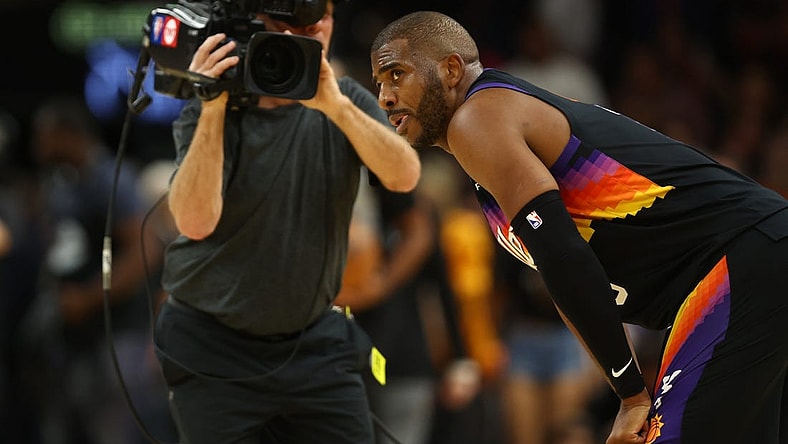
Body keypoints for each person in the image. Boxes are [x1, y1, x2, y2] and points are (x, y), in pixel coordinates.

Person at [370, 11, 788, 444]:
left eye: (396, 74)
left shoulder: (478, 118)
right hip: (749, 260)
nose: (384, 96)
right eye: (379, 82)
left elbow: (562, 254)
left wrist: (630, 395)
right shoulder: (491, 129)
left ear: (451, 69)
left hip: (743, 259)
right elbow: (563, 275)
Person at [152, 1, 420, 443]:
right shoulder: (215, 105)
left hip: (312, 339)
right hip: (213, 345)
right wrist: (212, 108)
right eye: (289, 25)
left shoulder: (347, 101)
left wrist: (334, 107)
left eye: (321, 23)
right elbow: (195, 223)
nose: (310, 35)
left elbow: (404, 176)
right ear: (257, 24)